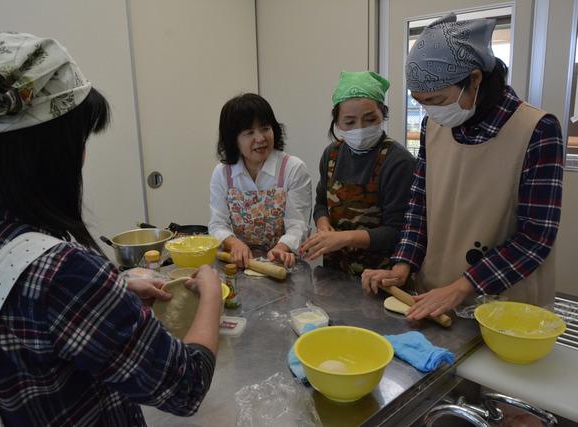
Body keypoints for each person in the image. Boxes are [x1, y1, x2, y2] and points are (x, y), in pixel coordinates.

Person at [0, 33, 221, 426]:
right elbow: (184, 385)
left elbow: (13, 321)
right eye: (79, 140)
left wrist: (113, 292)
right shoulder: (62, 272)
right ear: (44, 152)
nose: (83, 157)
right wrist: (211, 296)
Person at [362, 14, 564, 321]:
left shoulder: (536, 130)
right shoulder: (434, 125)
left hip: (506, 306)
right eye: (419, 101)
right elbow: (420, 207)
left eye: (437, 99)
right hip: (435, 293)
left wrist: (463, 287)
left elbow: (535, 236)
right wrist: (403, 264)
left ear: (475, 79)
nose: (428, 110)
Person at [300, 71, 415, 275]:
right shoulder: (331, 155)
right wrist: (324, 226)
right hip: (335, 272)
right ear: (337, 123)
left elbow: (397, 231)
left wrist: (344, 238)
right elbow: (321, 204)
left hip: (380, 275)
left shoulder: (398, 162)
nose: (360, 129)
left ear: (383, 115)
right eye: (350, 122)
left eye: (370, 119)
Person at [209, 93, 312, 268]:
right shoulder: (223, 173)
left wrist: (281, 247)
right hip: (239, 263)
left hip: (281, 263)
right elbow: (218, 223)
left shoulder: (292, 168)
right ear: (233, 140)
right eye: (249, 132)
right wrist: (234, 244)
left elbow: (298, 224)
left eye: (265, 128)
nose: (260, 138)